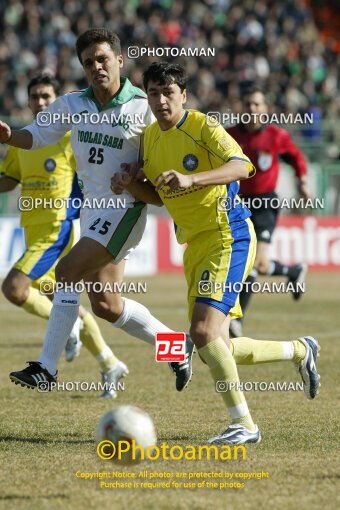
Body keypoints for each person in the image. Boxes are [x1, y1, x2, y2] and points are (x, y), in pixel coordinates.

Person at [112, 62, 320, 445]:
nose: (160, 100)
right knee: (214, 348)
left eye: (168, 92)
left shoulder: (202, 127)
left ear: (184, 95)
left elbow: (242, 167)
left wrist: (193, 177)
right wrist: (129, 185)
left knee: (203, 332)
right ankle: (299, 349)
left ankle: (245, 425)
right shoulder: (151, 141)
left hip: (229, 235)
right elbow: (158, 196)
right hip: (195, 245)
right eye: (154, 93)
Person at [0, 30, 193, 393]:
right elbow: (36, 136)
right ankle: (175, 347)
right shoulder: (72, 104)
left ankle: (46, 367)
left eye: (103, 59)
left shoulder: (142, 106)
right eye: (88, 62)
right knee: (105, 304)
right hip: (93, 212)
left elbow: (166, 146)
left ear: (120, 60)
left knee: (67, 270)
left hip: (126, 209)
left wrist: (146, 175)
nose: (96, 67)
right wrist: (10, 136)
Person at [0, 73, 129, 398]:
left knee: (14, 289)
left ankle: (64, 338)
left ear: (57, 101)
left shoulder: (72, 136)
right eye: (35, 97)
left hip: (59, 229)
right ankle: (109, 362)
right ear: (28, 101)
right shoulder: (23, 140)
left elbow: (92, 174)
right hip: (32, 230)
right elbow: (10, 180)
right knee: (71, 304)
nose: (41, 102)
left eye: (47, 96)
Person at [228, 87, 311, 338]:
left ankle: (237, 319)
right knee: (250, 264)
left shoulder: (276, 135)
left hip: (265, 204)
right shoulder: (229, 135)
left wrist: (303, 180)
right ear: (241, 107)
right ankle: (293, 271)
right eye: (248, 104)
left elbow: (296, 158)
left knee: (258, 263)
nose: (252, 109)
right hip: (238, 204)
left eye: (257, 105)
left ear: (265, 110)